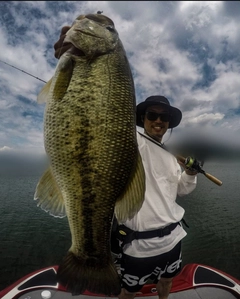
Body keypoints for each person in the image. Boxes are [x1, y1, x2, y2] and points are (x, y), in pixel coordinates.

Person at [53, 24, 198, 299]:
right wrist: (74, 59)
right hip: (136, 247)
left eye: (163, 117)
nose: (158, 120)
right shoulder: (130, 139)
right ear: (141, 119)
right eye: (151, 115)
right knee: (127, 292)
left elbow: (181, 189)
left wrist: (190, 173)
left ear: (168, 123)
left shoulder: (170, 155)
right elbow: (99, 114)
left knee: (166, 282)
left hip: (174, 239)